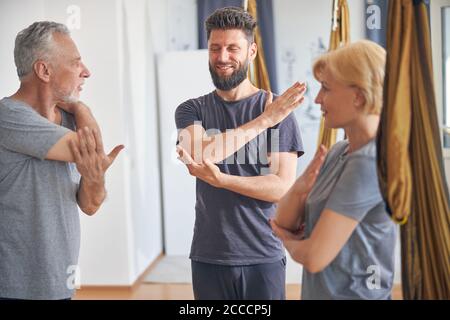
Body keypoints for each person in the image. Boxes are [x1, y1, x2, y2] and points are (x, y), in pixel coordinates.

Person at [175, 7, 304, 300]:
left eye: (233, 48)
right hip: (209, 256)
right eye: (215, 48)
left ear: (252, 51)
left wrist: (223, 181)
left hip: (263, 255)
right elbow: (200, 156)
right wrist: (265, 122)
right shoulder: (191, 109)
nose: (222, 57)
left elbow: (279, 187)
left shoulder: (279, 110)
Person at [0, 21, 123, 299]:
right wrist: (81, 105)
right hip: (14, 288)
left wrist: (94, 177)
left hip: (59, 284)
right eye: (76, 64)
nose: (86, 72)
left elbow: (90, 205)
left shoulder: (69, 122)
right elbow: (91, 150)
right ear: (44, 70)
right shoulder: (8, 117)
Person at [270, 40, 397, 300]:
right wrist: (300, 188)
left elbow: (315, 257)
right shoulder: (339, 152)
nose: (317, 99)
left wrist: (289, 242)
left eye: (326, 88)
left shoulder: (369, 162)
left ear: (359, 96)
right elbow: (283, 221)